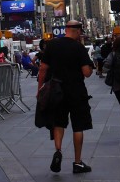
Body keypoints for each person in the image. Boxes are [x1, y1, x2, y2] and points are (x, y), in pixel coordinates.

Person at [37, 20, 95, 174]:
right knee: (78, 126)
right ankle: (77, 162)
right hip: (76, 91)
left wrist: (39, 89)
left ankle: (58, 150)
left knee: (58, 123)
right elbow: (86, 73)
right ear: (77, 31)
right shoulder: (79, 47)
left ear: (66, 29)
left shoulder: (52, 45)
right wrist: (90, 65)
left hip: (57, 91)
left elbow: (43, 68)